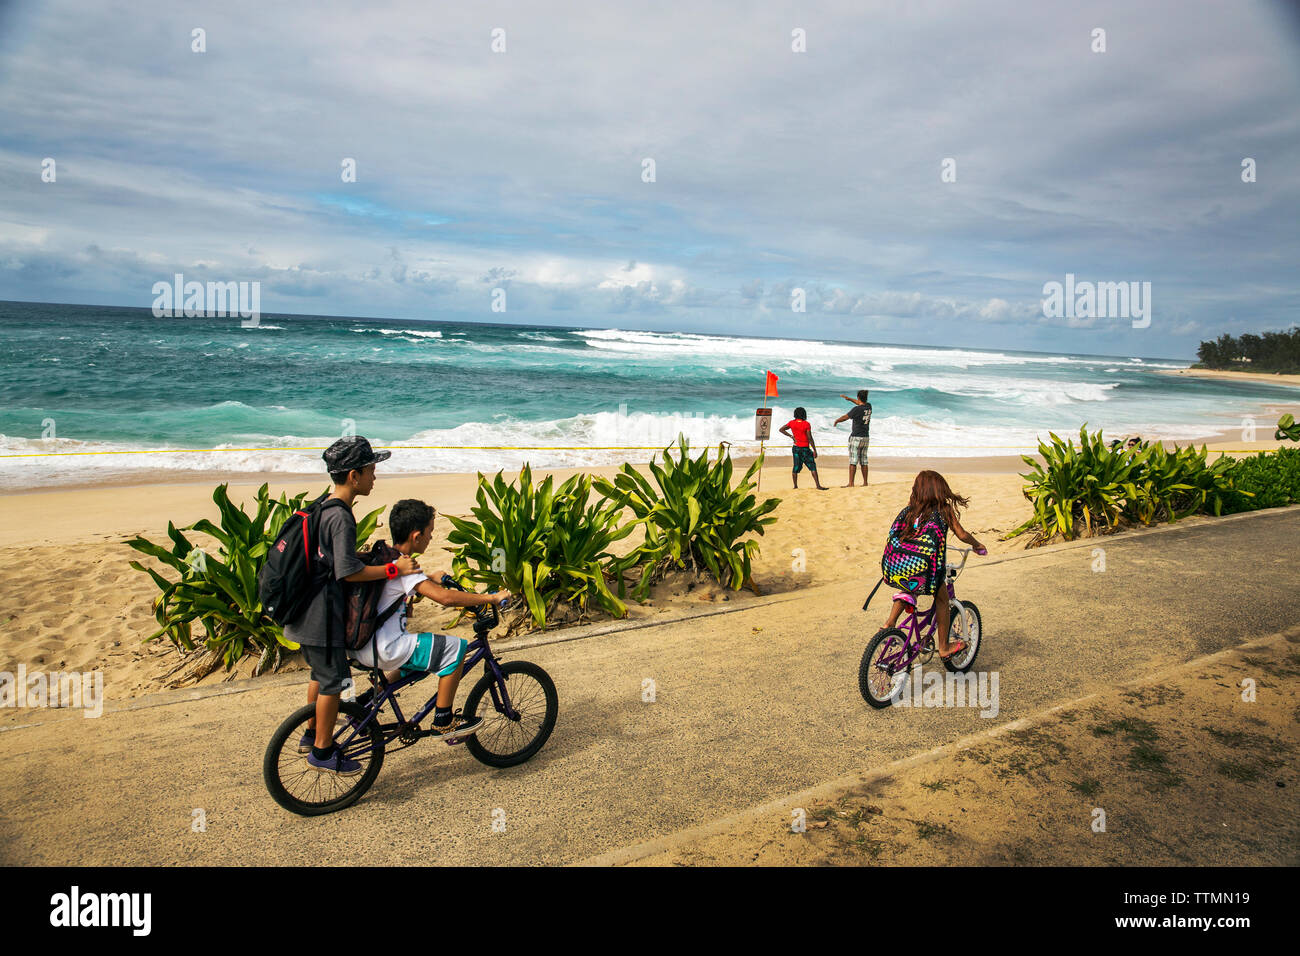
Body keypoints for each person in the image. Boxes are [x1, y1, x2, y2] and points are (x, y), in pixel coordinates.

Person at [327, 498, 511, 745]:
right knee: (454, 649)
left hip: (364, 645)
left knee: (420, 660)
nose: (431, 538)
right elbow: (444, 598)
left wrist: (431, 576)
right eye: (430, 532)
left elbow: (408, 587)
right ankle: (444, 722)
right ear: (416, 536)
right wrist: (490, 597)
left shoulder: (389, 559)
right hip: (385, 647)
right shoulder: (406, 569)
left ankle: (367, 701)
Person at [289, 436, 419, 776]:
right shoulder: (342, 517)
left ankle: (309, 733)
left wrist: (360, 556)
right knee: (334, 682)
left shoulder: (322, 505)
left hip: (303, 613)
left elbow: (330, 560)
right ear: (353, 476)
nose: (375, 477)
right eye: (371, 470)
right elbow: (348, 573)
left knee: (321, 676)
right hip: (321, 618)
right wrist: (395, 569)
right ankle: (322, 751)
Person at [878, 470, 986, 660]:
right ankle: (944, 647)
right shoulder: (944, 510)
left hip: (900, 565)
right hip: (926, 569)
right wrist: (976, 545)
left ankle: (890, 623)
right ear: (939, 490)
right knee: (943, 600)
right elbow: (961, 534)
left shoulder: (910, 510)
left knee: (908, 588)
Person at [779, 406, 827, 490]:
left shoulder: (791, 423)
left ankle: (795, 486)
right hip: (805, 448)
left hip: (796, 448)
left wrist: (791, 436)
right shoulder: (806, 424)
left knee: (796, 467)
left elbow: (781, 429)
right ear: (804, 414)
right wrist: (814, 450)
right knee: (812, 466)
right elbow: (810, 437)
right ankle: (818, 485)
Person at [833, 390, 873, 487]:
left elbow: (845, 417)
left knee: (853, 461)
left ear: (859, 397)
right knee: (863, 460)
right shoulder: (869, 406)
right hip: (865, 437)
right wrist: (849, 399)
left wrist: (837, 420)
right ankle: (865, 483)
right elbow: (859, 403)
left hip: (856, 437)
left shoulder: (856, 409)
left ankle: (851, 483)